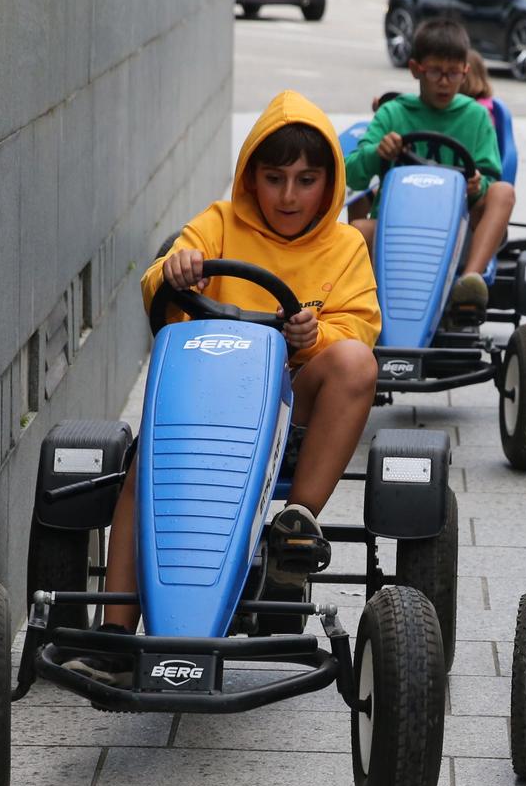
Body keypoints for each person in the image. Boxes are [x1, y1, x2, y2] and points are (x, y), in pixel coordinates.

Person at [101, 91, 381, 628]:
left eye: (305, 180)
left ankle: (295, 526)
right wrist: (177, 269)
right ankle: (115, 629)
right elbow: (155, 285)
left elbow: (359, 327)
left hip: (290, 412)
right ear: (252, 177)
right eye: (274, 178)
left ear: (329, 183)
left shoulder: (344, 246)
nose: (289, 196)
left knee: (355, 363)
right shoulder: (219, 223)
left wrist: (312, 337)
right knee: (144, 470)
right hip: (206, 402)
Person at [344, 17, 513, 313]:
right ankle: (365, 309)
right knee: (357, 230)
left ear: (465, 72)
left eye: (452, 73)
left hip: (456, 229)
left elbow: (488, 175)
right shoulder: (393, 113)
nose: (444, 81)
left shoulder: (475, 117)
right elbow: (352, 174)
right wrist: (378, 153)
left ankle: (469, 283)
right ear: (415, 70)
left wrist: (477, 185)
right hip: (395, 228)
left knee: (502, 191)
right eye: (435, 71)